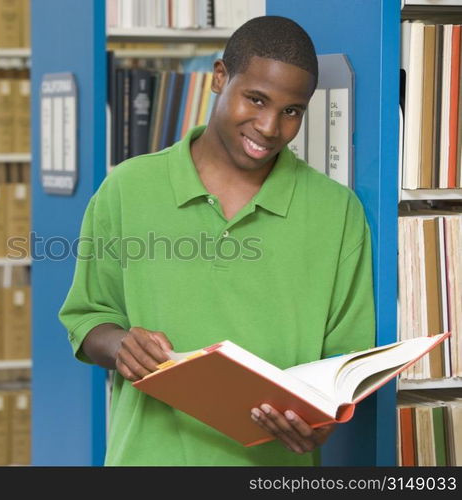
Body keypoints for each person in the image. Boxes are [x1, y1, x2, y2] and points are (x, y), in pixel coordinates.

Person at [59, 15, 375, 466]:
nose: (269, 127)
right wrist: (122, 345)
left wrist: (321, 420)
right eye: (256, 99)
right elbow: (89, 317)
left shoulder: (337, 212)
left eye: (292, 112)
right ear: (220, 77)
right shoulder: (128, 188)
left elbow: (345, 363)